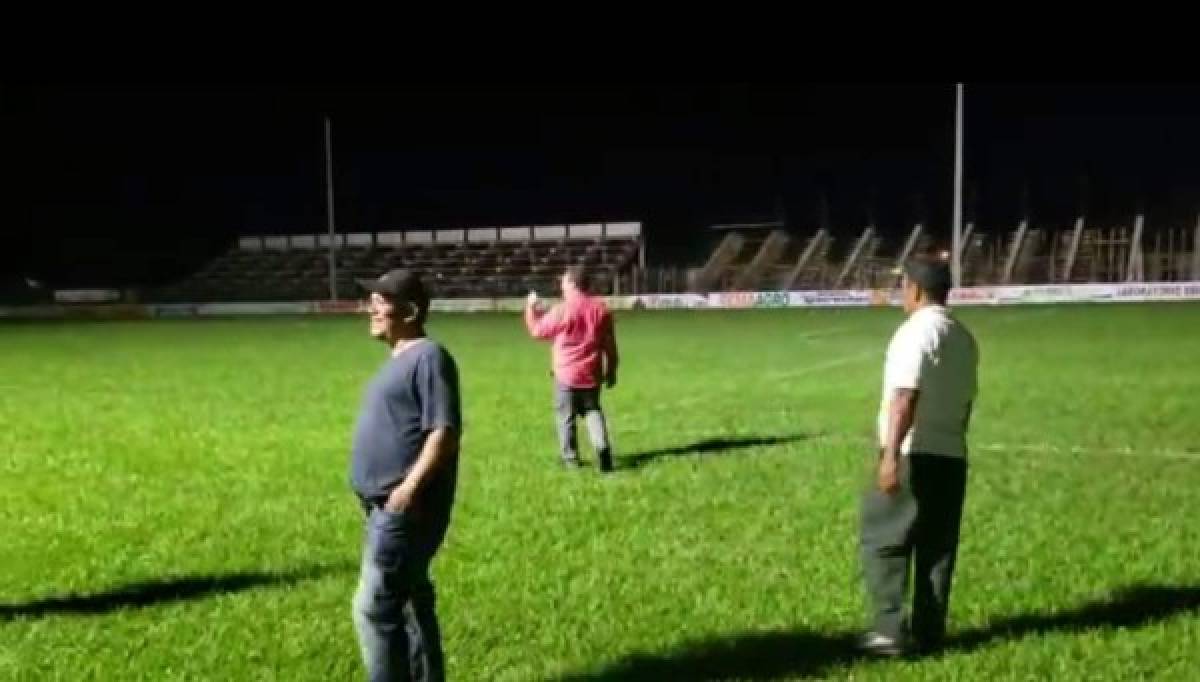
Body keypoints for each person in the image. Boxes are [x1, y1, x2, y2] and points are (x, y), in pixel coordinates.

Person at [859, 256, 979, 657]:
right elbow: (966, 405)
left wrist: (890, 455)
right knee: (937, 546)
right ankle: (930, 633)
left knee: (885, 540)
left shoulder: (914, 333)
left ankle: (889, 630)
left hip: (914, 451)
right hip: (952, 454)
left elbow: (904, 396)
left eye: (902, 286)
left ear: (914, 289)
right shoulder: (963, 337)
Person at [349, 269, 461, 681]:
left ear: (410, 310)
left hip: (404, 509)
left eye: (382, 300)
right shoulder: (402, 359)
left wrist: (409, 489)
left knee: (373, 608)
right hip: (384, 505)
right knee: (412, 601)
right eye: (372, 299)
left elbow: (443, 432)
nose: (372, 308)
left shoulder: (429, 356)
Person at [524, 265, 619, 472]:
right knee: (593, 410)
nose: (561, 285)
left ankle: (571, 459)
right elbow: (610, 345)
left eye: (564, 281)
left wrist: (530, 308)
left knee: (565, 417)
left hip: (566, 375)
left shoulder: (563, 310)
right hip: (591, 374)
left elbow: (537, 331)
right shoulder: (601, 309)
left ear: (573, 284)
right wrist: (611, 369)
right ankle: (602, 448)